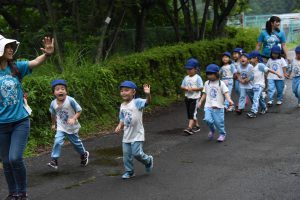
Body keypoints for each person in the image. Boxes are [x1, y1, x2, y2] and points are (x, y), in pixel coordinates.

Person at [0, 35, 54, 200]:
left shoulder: (16, 68)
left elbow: (34, 62)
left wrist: (47, 54)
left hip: (20, 121)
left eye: (11, 46)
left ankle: (22, 193)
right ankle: (13, 193)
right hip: (1, 126)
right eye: (7, 47)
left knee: (15, 158)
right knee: (7, 162)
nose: (10, 49)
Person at [115, 81, 154, 179]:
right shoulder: (122, 105)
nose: (124, 92)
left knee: (136, 153)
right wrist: (119, 125)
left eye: (126, 90)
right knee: (126, 155)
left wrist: (148, 94)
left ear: (133, 92)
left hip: (137, 134)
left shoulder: (137, 102)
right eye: (122, 91)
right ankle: (130, 171)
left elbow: (148, 102)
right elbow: (122, 118)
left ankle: (148, 160)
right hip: (127, 135)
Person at [47, 79, 89, 170]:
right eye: (57, 89)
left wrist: (74, 118)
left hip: (72, 126)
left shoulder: (70, 100)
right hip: (61, 126)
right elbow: (53, 114)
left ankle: (83, 154)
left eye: (62, 89)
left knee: (76, 144)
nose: (60, 91)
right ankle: (54, 160)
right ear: (54, 93)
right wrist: (53, 124)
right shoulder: (53, 103)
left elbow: (79, 110)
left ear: (66, 91)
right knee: (57, 141)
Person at [198, 64, 234, 142]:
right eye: (208, 74)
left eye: (211, 74)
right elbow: (204, 93)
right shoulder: (207, 83)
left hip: (218, 107)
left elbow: (226, 93)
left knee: (219, 123)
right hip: (208, 106)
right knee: (207, 119)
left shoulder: (221, 83)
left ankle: (222, 134)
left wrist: (229, 100)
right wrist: (200, 101)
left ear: (216, 74)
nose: (209, 76)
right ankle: (212, 129)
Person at [246, 51, 282, 118]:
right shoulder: (254, 67)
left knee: (255, 97)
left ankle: (254, 112)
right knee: (260, 98)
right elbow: (254, 76)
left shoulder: (260, 65)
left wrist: (277, 74)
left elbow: (268, 70)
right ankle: (264, 108)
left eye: (250, 58)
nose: (249, 60)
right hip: (255, 85)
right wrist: (247, 80)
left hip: (260, 85)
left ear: (256, 58)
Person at [180, 58, 203, 135]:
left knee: (192, 113)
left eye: (191, 69)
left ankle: (189, 128)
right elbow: (182, 86)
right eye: (187, 69)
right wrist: (186, 88)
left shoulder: (198, 78)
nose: (189, 70)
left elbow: (201, 87)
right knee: (191, 113)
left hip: (195, 98)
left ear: (196, 69)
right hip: (187, 98)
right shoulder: (186, 78)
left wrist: (193, 89)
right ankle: (197, 126)